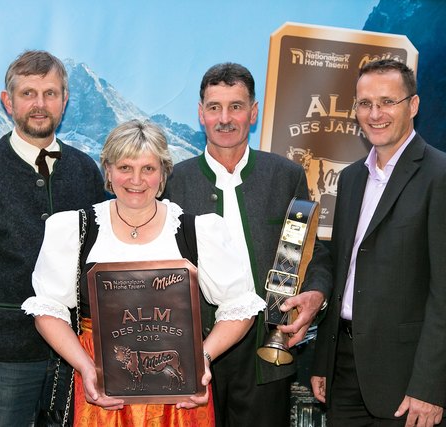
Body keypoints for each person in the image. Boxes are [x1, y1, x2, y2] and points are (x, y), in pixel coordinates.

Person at [22, 119, 266, 426]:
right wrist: (86, 368)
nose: (136, 180)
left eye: (148, 169)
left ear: (163, 172)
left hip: (178, 397)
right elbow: (49, 310)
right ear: (108, 170)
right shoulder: (75, 229)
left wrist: (199, 360)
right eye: (125, 167)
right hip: (100, 388)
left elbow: (239, 306)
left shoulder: (196, 230)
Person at [0, 50, 105, 426]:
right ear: (7, 102)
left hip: (75, 358)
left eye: (50, 93)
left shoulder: (85, 170)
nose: (39, 105)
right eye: (28, 93)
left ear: (65, 100)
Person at [164, 62, 333, 427]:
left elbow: (311, 253)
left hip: (266, 347)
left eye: (236, 106)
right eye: (214, 107)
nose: (225, 119)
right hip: (194, 349)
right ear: (200, 113)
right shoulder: (174, 181)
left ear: (253, 113)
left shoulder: (285, 175)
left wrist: (316, 294)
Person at [311, 59, 446, 426]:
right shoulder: (353, 178)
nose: (374, 114)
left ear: (413, 106)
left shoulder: (439, 176)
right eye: (365, 103)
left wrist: (431, 386)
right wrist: (324, 360)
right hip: (344, 373)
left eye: (387, 102)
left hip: (407, 383)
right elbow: (342, 271)